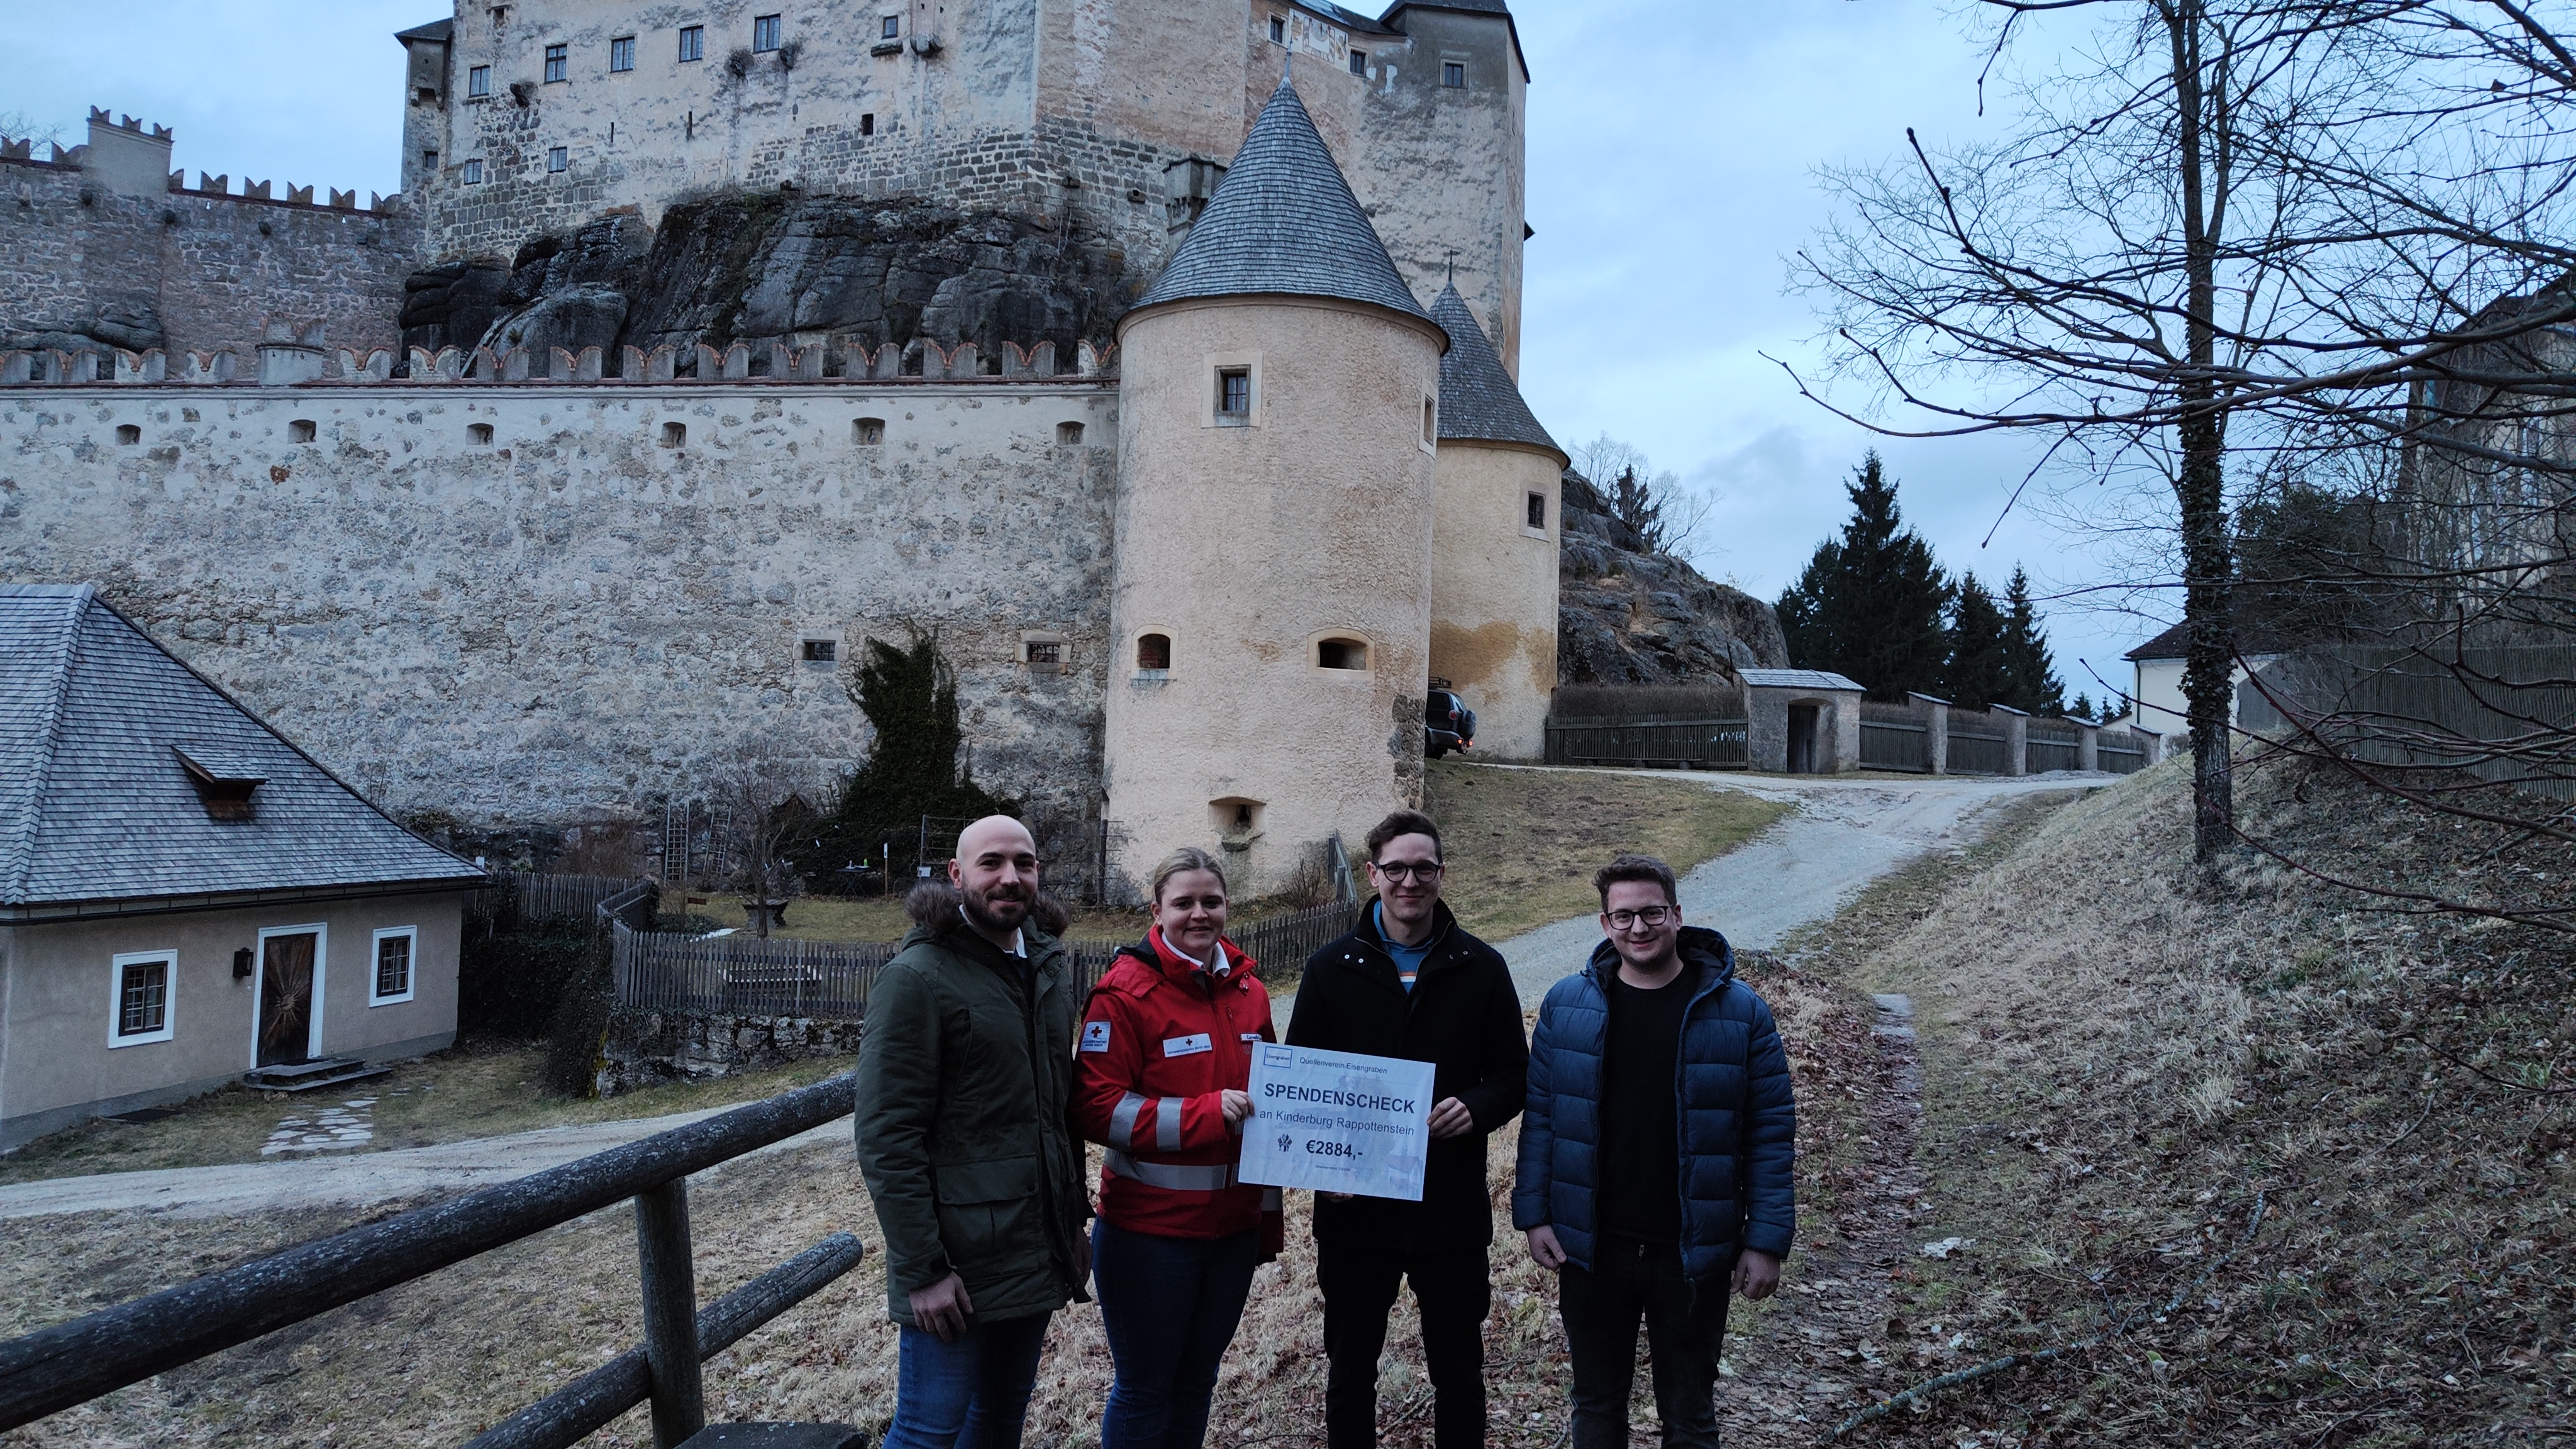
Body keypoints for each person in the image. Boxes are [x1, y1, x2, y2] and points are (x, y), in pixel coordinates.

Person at [1513, 853, 1795, 1449]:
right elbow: (1542, 1116)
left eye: (1651, 913)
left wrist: (1766, 1240)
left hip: (1694, 1253)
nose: (1638, 928)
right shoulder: (1567, 1006)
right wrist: (1534, 1213)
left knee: (1690, 1414)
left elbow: (1770, 1132)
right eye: (1624, 916)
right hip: (1593, 1249)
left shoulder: (1739, 1011)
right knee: (1595, 1408)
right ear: (1604, 923)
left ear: (1677, 915)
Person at [1284, 809, 1529, 1449]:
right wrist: (1321, 1169)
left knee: (1458, 1371)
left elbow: (1512, 1074)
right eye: (1396, 868)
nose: (1409, 881)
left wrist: (1475, 1106)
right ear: (1373, 874)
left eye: (1423, 868)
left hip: (1448, 1209)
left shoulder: (1481, 966)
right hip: (1354, 1210)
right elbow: (1301, 1086)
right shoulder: (1330, 967)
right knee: (1350, 1371)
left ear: (1441, 874)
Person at [854, 815, 1092, 1449]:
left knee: (999, 1417)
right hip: (955, 1261)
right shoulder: (917, 978)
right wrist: (922, 1269)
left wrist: (1073, 1218)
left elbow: (1054, 1110)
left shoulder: (1045, 965)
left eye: (1024, 862)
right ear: (958, 876)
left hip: (1032, 1240)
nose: (1010, 877)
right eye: (991, 863)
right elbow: (887, 1135)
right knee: (929, 1431)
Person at [1072, 847, 1284, 1449]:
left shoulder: (1250, 991)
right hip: (1150, 1235)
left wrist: (1266, 1220)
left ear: (1227, 907)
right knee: (1144, 1388)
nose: (1199, 914)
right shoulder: (1121, 995)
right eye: (1184, 902)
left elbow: (1270, 1112)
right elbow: (1094, 1107)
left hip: (1232, 1234)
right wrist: (1202, 1115)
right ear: (1156, 909)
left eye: (1211, 902)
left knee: (1197, 1384)